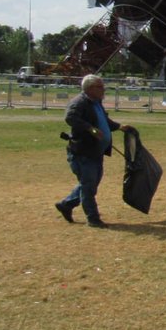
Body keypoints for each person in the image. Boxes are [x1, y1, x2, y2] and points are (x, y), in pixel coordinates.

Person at [55, 74, 133, 228]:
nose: (103, 89)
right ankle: (93, 218)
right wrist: (90, 129)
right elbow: (70, 117)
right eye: (100, 86)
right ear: (90, 88)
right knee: (89, 185)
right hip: (82, 152)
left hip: (95, 152)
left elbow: (104, 121)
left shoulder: (96, 103)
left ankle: (66, 204)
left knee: (90, 184)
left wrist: (119, 126)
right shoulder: (79, 102)